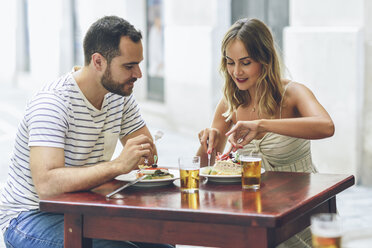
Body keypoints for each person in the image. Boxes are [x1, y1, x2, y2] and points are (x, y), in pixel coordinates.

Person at [0, 16, 173, 248]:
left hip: (83, 208)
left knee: (162, 242)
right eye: (129, 66)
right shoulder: (53, 102)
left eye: (139, 64)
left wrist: (142, 155)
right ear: (98, 61)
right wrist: (117, 166)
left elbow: (148, 158)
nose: (138, 74)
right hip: (29, 216)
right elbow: (47, 185)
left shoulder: (119, 95)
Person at [197, 18, 334, 247]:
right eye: (230, 62)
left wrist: (262, 125)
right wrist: (207, 141)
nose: (236, 71)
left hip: (301, 215)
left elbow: (326, 126)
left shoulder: (293, 94)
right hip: (255, 217)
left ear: (265, 60)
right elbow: (205, 168)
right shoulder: (230, 103)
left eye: (246, 62)